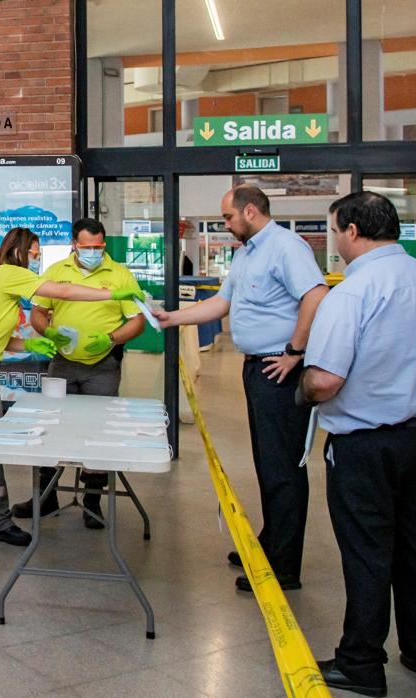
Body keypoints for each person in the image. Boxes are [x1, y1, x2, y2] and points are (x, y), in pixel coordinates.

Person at [301, 192, 416, 697]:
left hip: (366, 445)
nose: (333, 240)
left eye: (333, 230)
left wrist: (303, 387)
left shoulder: (352, 292)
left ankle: (361, 663)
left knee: (369, 552)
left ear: (351, 231)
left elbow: (325, 380)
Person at [154, 185, 328, 591]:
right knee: (268, 463)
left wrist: (294, 352)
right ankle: (270, 543)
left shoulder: (287, 247)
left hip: (278, 369)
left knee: (283, 468)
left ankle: (284, 567)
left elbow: (316, 295)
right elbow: (222, 303)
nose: (226, 225)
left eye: (229, 218)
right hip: (256, 369)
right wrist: (173, 318)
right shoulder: (246, 253)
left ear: (251, 211)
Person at [0, 226, 141, 548]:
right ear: (18, 250)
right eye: (34, 252)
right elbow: (65, 292)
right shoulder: (7, 274)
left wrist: (31, 346)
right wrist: (112, 294)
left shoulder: (5, 286)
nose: (37, 258)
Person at [10, 218, 147, 528]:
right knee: (51, 427)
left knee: (98, 430)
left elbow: (137, 321)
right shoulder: (57, 272)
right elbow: (39, 312)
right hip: (62, 363)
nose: (94, 252)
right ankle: (46, 497)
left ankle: (92, 501)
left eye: (99, 247)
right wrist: (49, 333)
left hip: (102, 366)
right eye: (87, 247)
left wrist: (111, 339)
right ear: (74, 244)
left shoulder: (120, 274)